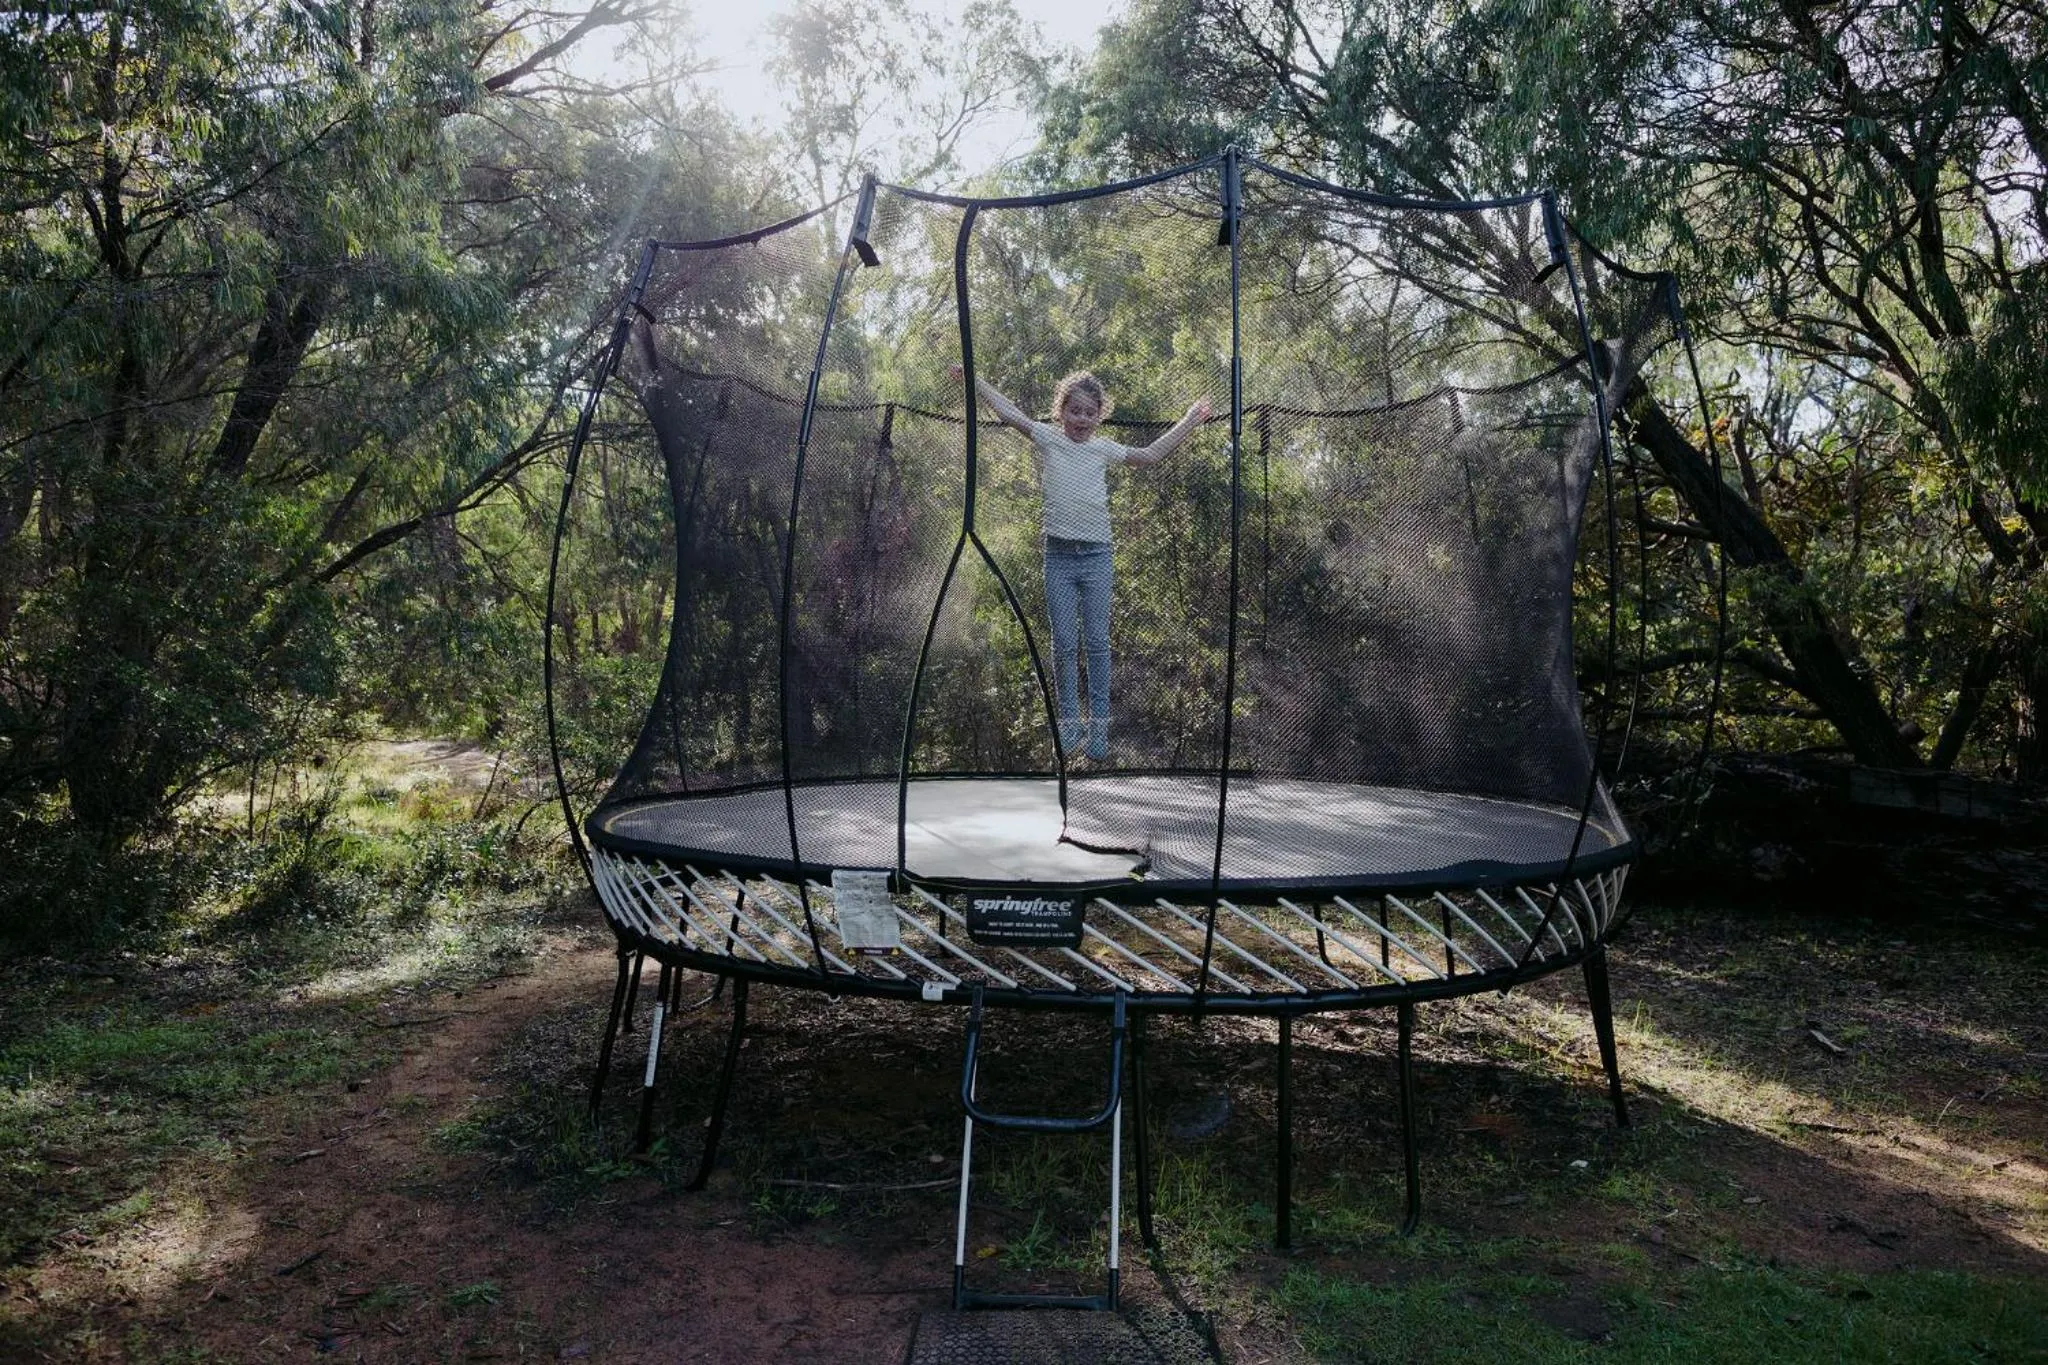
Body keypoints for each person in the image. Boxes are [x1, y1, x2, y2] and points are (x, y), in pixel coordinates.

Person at [950, 364, 1212, 762]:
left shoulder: (1103, 449)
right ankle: (1070, 724)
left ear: (1099, 415)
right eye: (1075, 411)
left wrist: (1191, 419)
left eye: (1090, 413)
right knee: (1064, 644)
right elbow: (1008, 413)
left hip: (1096, 556)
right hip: (1057, 557)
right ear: (1061, 411)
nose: (1082, 420)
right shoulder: (1049, 439)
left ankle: (1099, 730)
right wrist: (974, 378)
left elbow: (1150, 454)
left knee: (1097, 643)